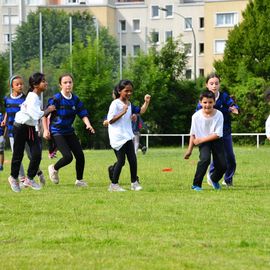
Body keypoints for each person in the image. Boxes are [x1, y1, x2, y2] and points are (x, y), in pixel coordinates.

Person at [42, 73, 95, 187]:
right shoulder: (55, 99)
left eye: (70, 82)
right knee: (68, 157)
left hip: (69, 131)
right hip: (57, 131)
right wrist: (46, 130)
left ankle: (79, 180)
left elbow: (83, 113)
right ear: (60, 85)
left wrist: (88, 124)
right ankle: (54, 168)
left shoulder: (75, 99)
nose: (68, 84)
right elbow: (45, 115)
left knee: (80, 155)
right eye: (65, 82)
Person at [8, 72, 55, 192]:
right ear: (35, 84)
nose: (46, 83)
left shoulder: (34, 96)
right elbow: (36, 114)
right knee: (18, 154)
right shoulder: (32, 97)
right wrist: (48, 109)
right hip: (20, 126)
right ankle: (13, 178)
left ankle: (29, 179)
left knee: (37, 154)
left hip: (29, 127)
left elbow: (34, 117)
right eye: (43, 81)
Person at [1, 75, 46, 185]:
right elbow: (7, 111)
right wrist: (5, 121)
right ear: (12, 86)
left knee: (31, 155)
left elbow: (30, 114)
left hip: (25, 129)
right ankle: (21, 178)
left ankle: (38, 172)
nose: (20, 86)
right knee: (17, 154)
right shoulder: (7, 99)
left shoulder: (26, 98)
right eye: (17, 84)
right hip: (13, 130)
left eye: (21, 84)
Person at [107, 79, 151, 192]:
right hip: (117, 137)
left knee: (133, 159)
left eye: (131, 91)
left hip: (127, 136)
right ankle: (113, 185)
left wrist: (146, 102)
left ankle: (134, 183)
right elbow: (110, 120)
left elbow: (140, 111)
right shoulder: (115, 104)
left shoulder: (129, 104)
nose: (129, 93)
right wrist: (123, 112)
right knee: (121, 161)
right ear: (119, 90)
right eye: (126, 91)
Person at [197, 73, 239, 187]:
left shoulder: (224, 97)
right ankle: (212, 176)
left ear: (219, 84)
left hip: (224, 131)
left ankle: (228, 179)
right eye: (211, 83)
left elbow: (233, 105)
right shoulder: (205, 98)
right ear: (207, 85)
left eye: (216, 83)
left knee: (230, 157)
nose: (214, 86)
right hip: (210, 133)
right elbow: (197, 113)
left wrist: (234, 109)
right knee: (216, 157)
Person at [184, 90, 227, 191]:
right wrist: (189, 150)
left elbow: (217, 134)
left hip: (216, 140)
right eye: (205, 102)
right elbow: (193, 134)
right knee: (205, 159)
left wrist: (200, 140)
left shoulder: (219, 115)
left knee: (223, 165)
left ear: (214, 102)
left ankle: (214, 179)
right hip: (203, 142)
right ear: (200, 103)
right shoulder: (196, 117)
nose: (207, 105)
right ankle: (196, 184)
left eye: (210, 102)